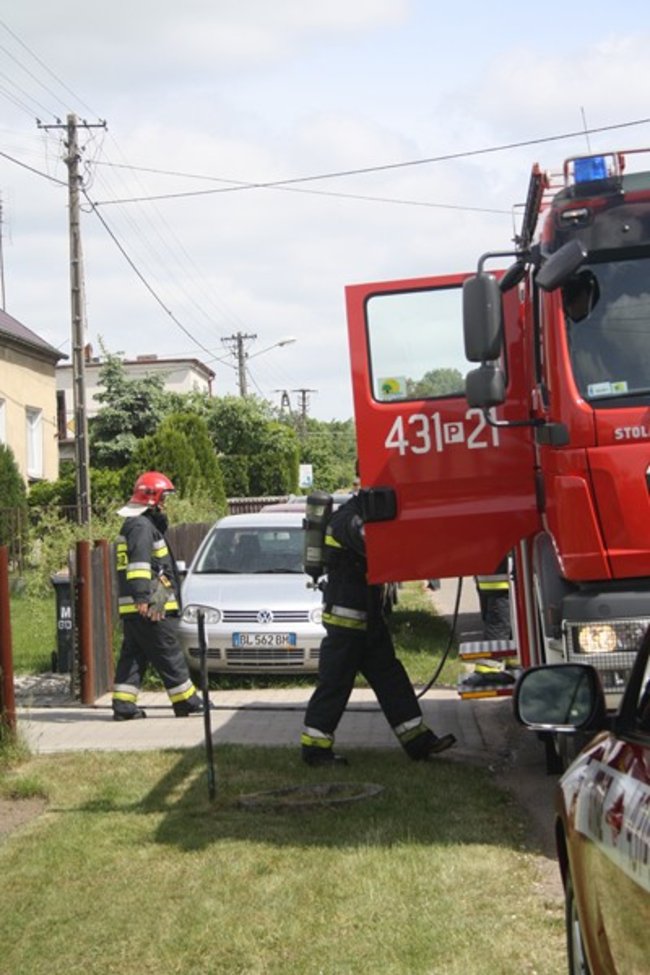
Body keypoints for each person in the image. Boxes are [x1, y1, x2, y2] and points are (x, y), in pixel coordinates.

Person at [300, 491, 456, 766]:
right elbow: (373, 546)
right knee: (335, 683)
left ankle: (418, 741)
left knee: (391, 677)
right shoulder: (345, 520)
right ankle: (315, 749)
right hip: (346, 621)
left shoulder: (359, 517)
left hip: (368, 620)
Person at [111, 471, 205, 721]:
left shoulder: (141, 525)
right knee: (168, 652)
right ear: (151, 498)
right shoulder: (141, 527)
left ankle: (124, 705)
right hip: (151, 605)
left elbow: (155, 568)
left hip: (142, 606)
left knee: (134, 656)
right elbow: (140, 565)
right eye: (164, 498)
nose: (166, 503)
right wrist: (146, 598)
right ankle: (186, 701)